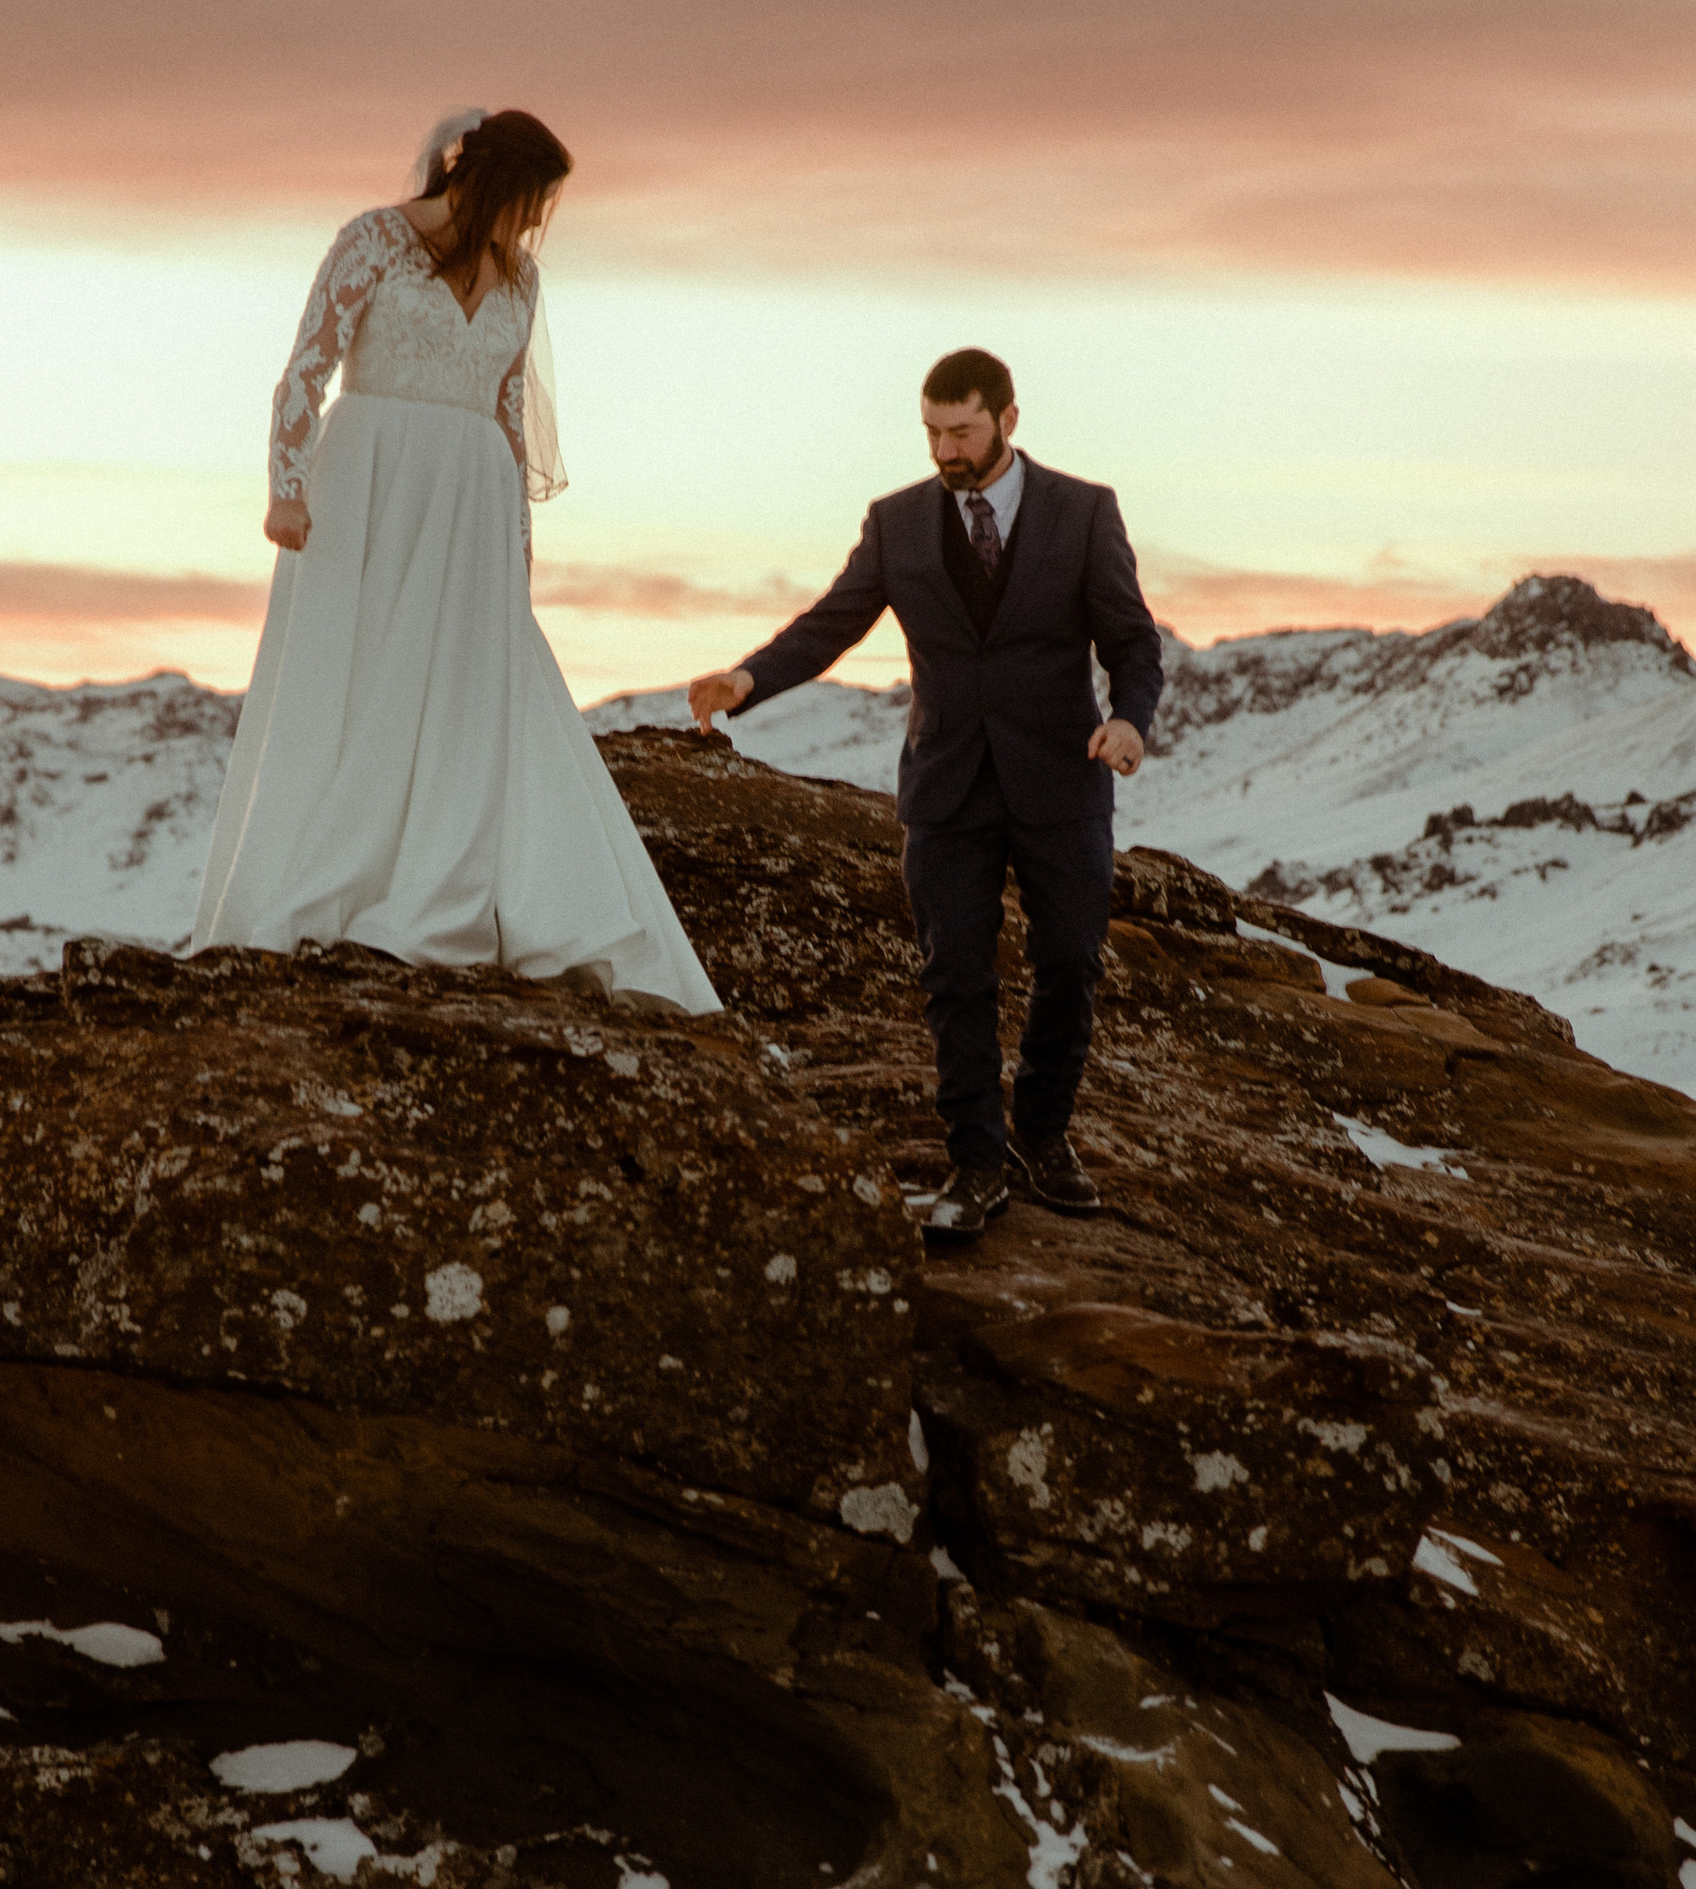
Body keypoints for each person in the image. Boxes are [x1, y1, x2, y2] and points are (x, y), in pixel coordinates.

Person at [189, 108, 719, 1016]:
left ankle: (459, 879)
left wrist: (516, 551)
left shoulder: (522, 281)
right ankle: (336, 879)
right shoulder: (373, 241)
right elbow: (306, 366)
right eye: (530, 201)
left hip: (471, 496)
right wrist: (286, 486)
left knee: (465, 690)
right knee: (355, 675)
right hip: (368, 479)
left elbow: (510, 419)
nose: (535, 222)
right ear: (486, 182)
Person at [688, 350, 1160, 1242]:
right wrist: (749, 679)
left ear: (1008, 422)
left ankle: (1044, 1135)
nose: (947, 450)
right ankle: (977, 1162)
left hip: (1063, 780)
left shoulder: (1083, 512)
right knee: (954, 975)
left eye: (964, 432)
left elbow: (1133, 642)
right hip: (946, 784)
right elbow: (835, 620)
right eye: (933, 433)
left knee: (1069, 964)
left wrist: (1130, 722)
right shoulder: (897, 523)